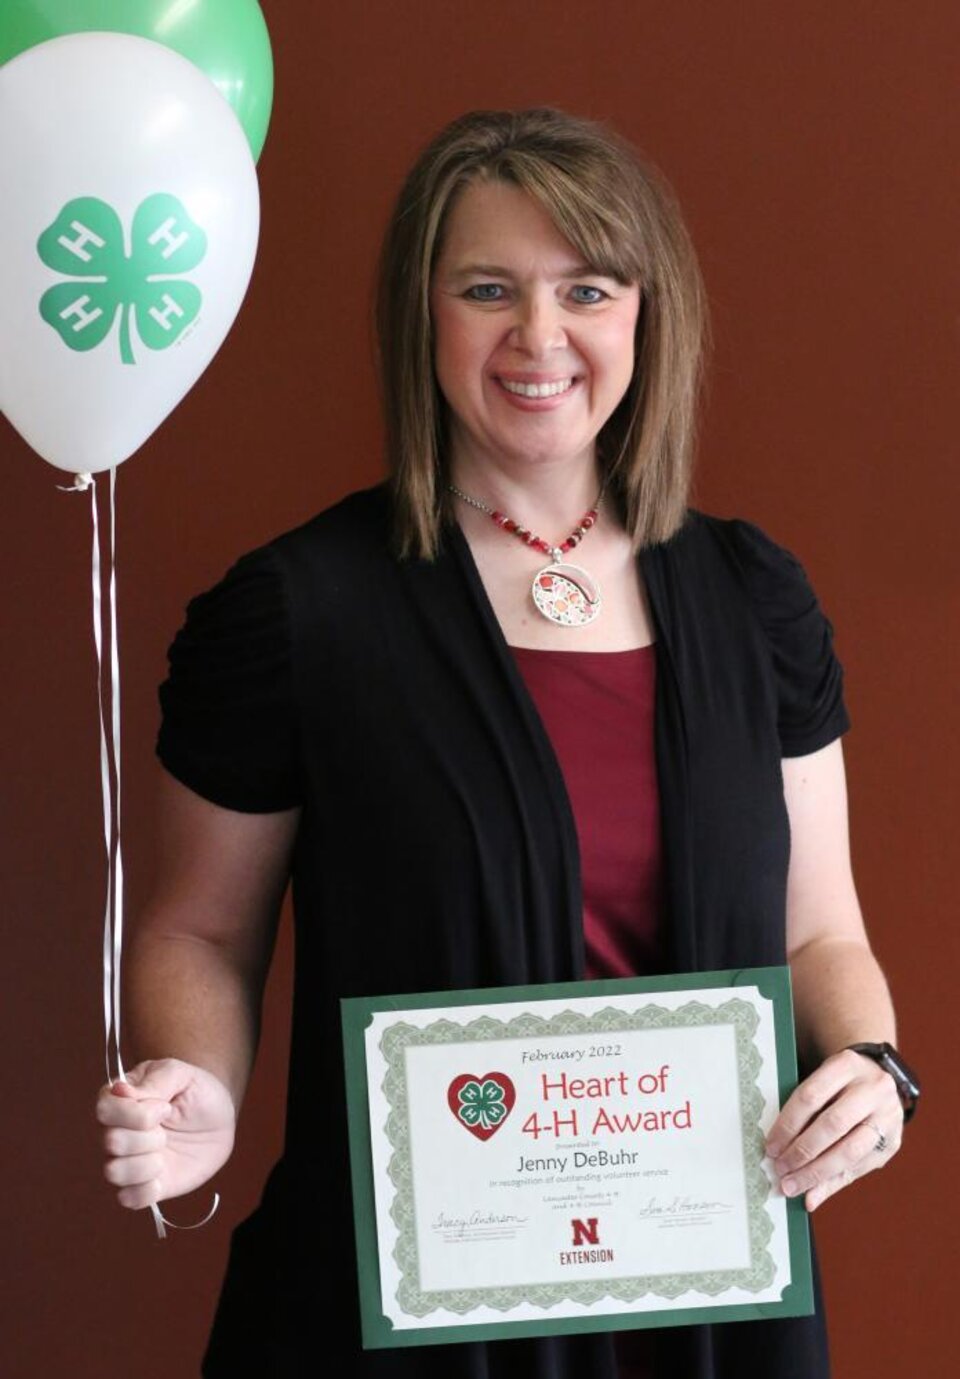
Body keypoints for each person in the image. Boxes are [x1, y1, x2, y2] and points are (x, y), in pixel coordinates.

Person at [96, 108, 916, 1378]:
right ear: (422, 317)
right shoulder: (295, 612)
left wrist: (873, 1070)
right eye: (489, 289)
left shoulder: (755, 603)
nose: (540, 338)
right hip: (393, 1311)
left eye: (586, 287)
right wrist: (195, 1086)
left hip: (704, 1310)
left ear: (647, 314)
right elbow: (197, 929)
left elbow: (820, 932)